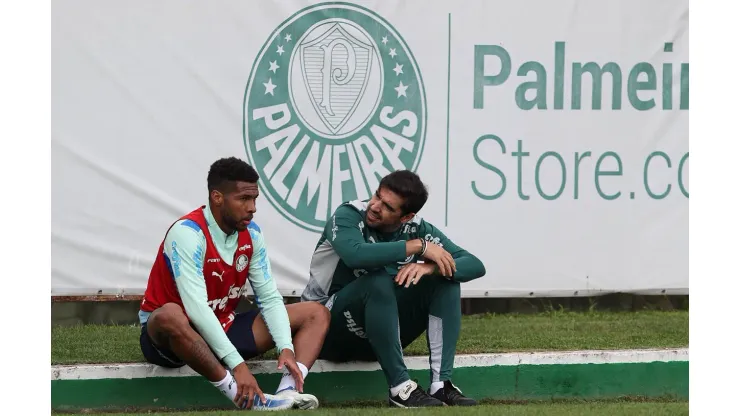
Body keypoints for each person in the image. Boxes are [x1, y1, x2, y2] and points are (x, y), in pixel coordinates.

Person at [139, 157, 330, 410]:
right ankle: (243, 398)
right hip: (173, 339)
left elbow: (270, 298)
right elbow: (196, 308)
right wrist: (238, 367)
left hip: (221, 328)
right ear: (217, 197)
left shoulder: (252, 234)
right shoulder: (188, 233)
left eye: (254, 199)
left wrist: (286, 347)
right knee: (171, 315)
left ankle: (288, 392)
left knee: (316, 313)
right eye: (243, 199)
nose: (252, 208)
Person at [300, 170, 486, 408]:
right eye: (376, 196)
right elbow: (355, 254)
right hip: (324, 332)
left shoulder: (418, 228)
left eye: (387, 206)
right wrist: (417, 248)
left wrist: (431, 268)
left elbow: (474, 265)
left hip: (379, 339)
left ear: (406, 217)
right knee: (377, 281)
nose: (375, 206)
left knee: (445, 279)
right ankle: (400, 388)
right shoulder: (348, 215)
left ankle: (441, 385)